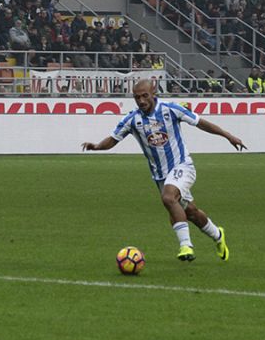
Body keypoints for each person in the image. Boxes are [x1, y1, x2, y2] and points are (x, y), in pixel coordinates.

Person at [82, 79, 247, 262]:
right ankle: (217, 235)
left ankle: (186, 246)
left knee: (168, 198)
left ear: (154, 93)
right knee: (190, 212)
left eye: (145, 96)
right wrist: (97, 146)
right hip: (160, 175)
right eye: (137, 97)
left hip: (182, 166)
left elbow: (200, 123)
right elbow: (113, 139)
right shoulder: (132, 119)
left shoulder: (171, 109)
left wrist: (228, 136)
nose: (141, 100)